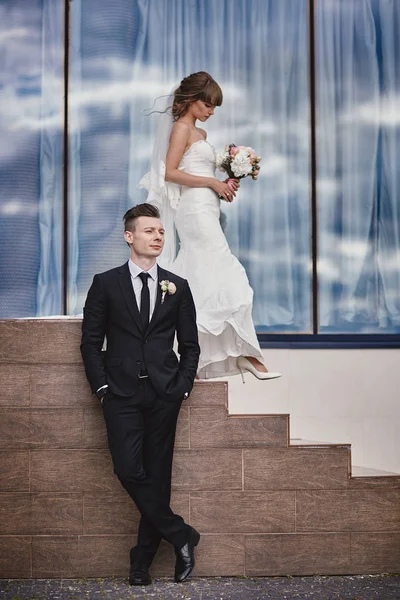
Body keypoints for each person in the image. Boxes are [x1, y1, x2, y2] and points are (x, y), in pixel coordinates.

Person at [80, 203, 201, 586]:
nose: (158, 237)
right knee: (129, 469)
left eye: (161, 231)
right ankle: (181, 533)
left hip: (165, 393)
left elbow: (191, 346)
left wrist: (182, 386)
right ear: (129, 236)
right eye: (149, 231)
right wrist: (101, 386)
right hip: (120, 393)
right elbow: (90, 342)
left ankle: (140, 563)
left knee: (158, 477)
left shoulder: (177, 286)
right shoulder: (106, 283)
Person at [140, 71, 281, 381]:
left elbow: (198, 171)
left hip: (207, 208)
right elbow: (170, 173)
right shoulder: (181, 128)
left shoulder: (200, 134)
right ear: (191, 101)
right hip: (193, 212)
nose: (211, 112)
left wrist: (226, 183)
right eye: (207, 105)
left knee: (203, 273)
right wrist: (212, 182)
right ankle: (242, 354)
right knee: (225, 271)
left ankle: (207, 350)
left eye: (214, 107)